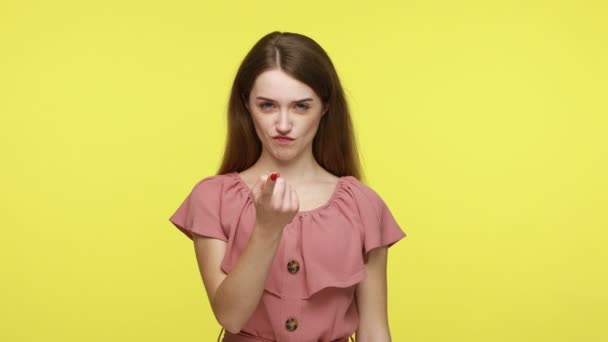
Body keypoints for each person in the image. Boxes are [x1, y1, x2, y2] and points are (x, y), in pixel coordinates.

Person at [168, 31, 407, 342]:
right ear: (246, 105)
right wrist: (267, 228)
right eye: (267, 106)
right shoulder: (212, 197)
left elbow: (375, 331)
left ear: (325, 107)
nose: (283, 124)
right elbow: (230, 315)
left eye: (301, 107)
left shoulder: (362, 204)